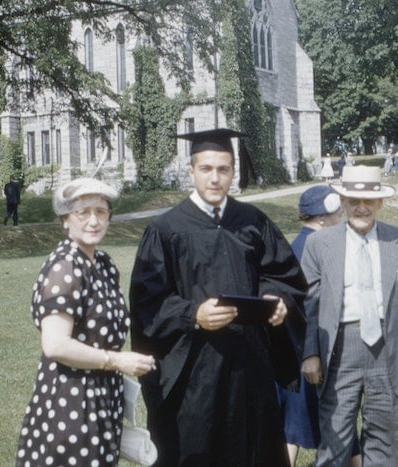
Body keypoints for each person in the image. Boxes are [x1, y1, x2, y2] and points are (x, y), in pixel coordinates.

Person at [130, 128, 307, 467]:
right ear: (191, 170)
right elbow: (146, 304)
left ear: (233, 171)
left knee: (254, 450)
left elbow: (283, 274)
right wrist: (193, 315)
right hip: (195, 373)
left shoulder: (253, 221)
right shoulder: (166, 230)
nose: (215, 178)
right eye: (206, 169)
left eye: (223, 169)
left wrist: (277, 299)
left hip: (249, 370)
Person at [16, 178, 156, 466]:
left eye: (101, 212)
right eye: (83, 212)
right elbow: (55, 345)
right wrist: (115, 361)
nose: (93, 220)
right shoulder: (65, 266)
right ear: (66, 219)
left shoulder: (102, 264)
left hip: (103, 398)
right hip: (71, 402)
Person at [300, 165, 398, 466]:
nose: (361, 208)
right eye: (353, 201)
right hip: (339, 349)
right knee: (334, 441)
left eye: (369, 201)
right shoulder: (319, 244)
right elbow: (308, 305)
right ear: (342, 202)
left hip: (389, 348)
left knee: (389, 439)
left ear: (380, 202)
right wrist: (310, 353)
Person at [279, 185, 361, 467]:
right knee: (340, 418)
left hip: (291, 351)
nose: (341, 218)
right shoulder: (321, 249)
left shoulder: (292, 247)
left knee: (291, 426)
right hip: (319, 350)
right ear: (324, 218)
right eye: (338, 213)